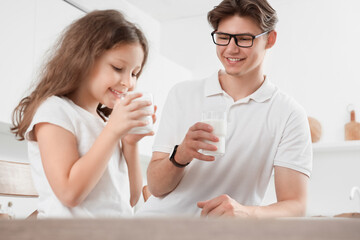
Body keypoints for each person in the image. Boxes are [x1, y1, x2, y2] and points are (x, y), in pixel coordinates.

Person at [137, 0, 312, 218]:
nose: (231, 48)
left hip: (221, 233)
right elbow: (155, 187)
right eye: (223, 37)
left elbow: (295, 205)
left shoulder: (288, 114)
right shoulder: (182, 94)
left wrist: (246, 214)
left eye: (244, 39)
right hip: (155, 226)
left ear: (270, 39)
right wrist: (180, 154)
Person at [11, 10, 156, 218]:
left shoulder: (105, 122)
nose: (128, 82)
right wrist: (113, 131)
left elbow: (131, 199)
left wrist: (130, 143)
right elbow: (69, 193)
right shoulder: (55, 111)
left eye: (134, 73)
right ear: (83, 60)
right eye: (118, 68)